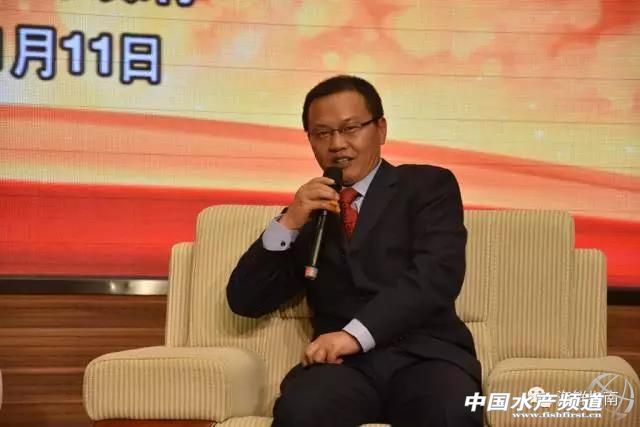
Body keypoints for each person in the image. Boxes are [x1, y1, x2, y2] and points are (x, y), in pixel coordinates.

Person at [226, 75, 482, 426]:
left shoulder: (427, 186)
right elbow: (245, 301)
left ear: (381, 129)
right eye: (322, 133)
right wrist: (289, 221)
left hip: (427, 358)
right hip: (342, 370)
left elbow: (435, 277)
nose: (337, 144)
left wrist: (353, 335)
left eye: (350, 129)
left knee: (452, 411)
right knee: (300, 412)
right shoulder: (310, 212)